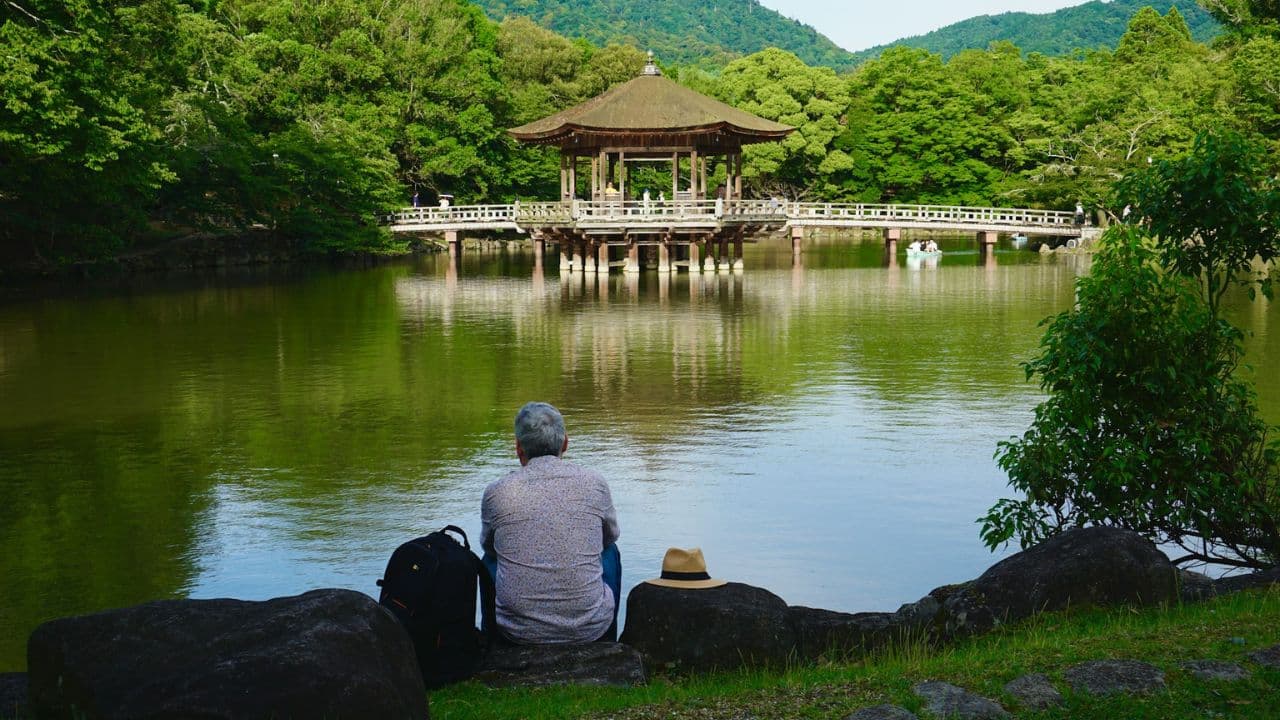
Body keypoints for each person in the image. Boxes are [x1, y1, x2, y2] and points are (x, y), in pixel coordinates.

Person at [481, 402, 621, 644]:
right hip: (589, 629)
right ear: (565, 442)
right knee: (610, 551)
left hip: (517, 631)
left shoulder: (497, 491)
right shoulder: (595, 483)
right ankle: (608, 642)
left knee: (490, 560)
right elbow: (610, 536)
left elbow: (489, 547)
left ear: (518, 448)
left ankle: (490, 641)